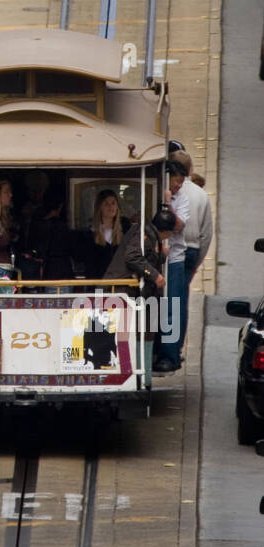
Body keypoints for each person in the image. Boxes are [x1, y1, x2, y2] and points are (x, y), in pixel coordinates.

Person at [105, 210, 173, 385]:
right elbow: (133, 257)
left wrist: (161, 255)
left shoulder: (149, 233)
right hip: (121, 291)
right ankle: (135, 379)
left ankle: (141, 378)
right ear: (167, 232)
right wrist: (156, 275)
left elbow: (148, 257)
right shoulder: (144, 233)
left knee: (143, 332)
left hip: (131, 293)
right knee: (130, 334)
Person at [172, 150, 213, 343]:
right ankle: (178, 344)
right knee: (182, 299)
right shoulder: (201, 195)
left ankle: (169, 345)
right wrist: (198, 261)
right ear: (190, 169)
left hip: (175, 250)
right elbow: (206, 233)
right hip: (193, 250)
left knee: (172, 299)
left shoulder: (174, 190)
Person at [153, 159, 190, 372]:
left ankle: (170, 355)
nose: (178, 186)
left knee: (172, 305)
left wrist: (168, 205)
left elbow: (177, 224)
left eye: (181, 182)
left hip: (174, 257)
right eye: (176, 182)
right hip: (155, 258)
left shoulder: (182, 199)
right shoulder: (158, 192)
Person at [81, 189, 130, 279]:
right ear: (100, 207)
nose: (111, 207)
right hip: (99, 284)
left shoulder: (125, 227)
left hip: (121, 284)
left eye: (113, 203)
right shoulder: (90, 233)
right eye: (106, 204)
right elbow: (90, 264)